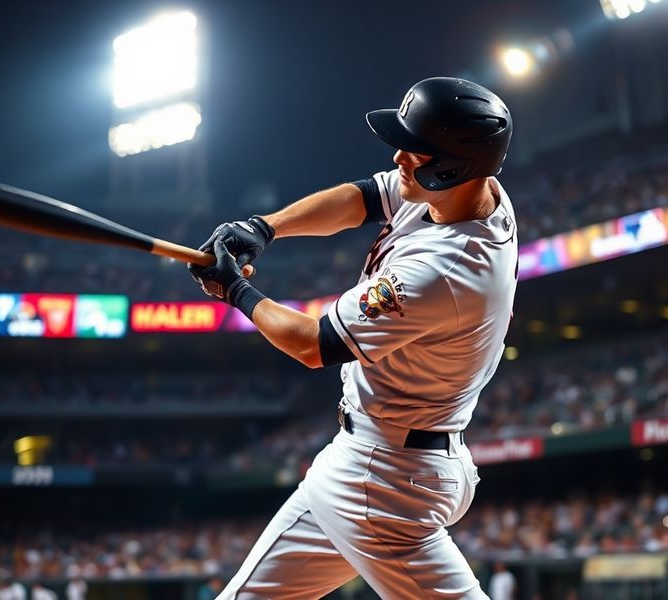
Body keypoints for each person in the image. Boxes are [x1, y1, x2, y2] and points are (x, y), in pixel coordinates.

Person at [189, 77, 516, 599]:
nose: (399, 157)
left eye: (415, 149)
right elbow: (361, 198)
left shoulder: (446, 269)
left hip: (385, 482)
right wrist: (263, 227)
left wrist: (235, 291)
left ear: (453, 165)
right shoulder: (470, 194)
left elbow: (313, 343)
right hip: (378, 457)